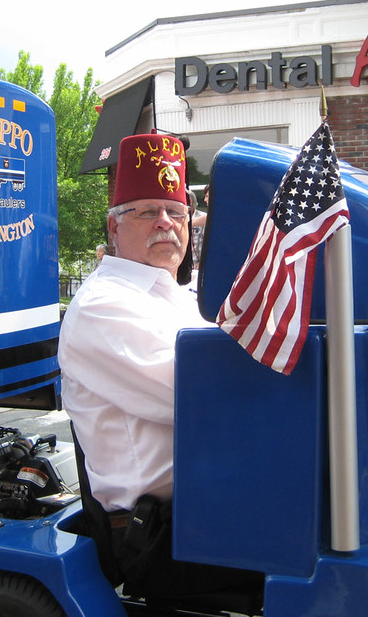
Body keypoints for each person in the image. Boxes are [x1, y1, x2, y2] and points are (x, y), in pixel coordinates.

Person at [58, 132, 262, 605]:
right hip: (166, 536)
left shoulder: (178, 297)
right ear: (114, 228)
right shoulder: (103, 307)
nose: (166, 224)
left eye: (176, 212)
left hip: (212, 511)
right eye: (147, 212)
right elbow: (203, 398)